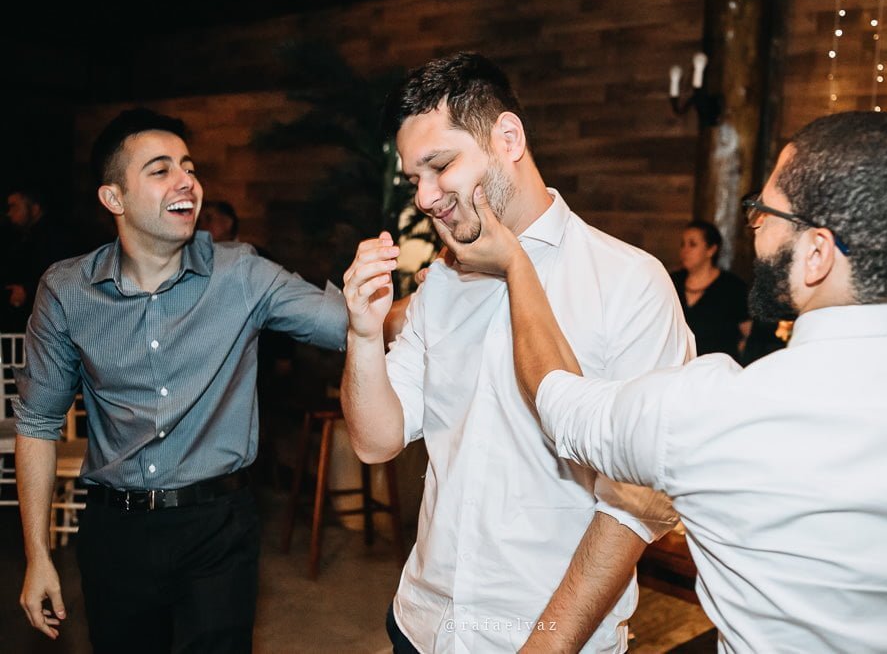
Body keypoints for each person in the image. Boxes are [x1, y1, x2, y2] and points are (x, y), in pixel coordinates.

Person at [443, 111, 887, 652]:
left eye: (763, 212)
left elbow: (559, 400)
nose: (754, 229)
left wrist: (516, 264)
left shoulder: (714, 411)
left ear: (816, 253)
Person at [342, 52, 693, 653]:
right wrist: (363, 334)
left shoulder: (629, 282)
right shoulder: (440, 283)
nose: (424, 197)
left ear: (508, 138)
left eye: (440, 166)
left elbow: (642, 500)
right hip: (421, 627)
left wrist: (547, 644)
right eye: (413, 179)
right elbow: (376, 441)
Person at [14, 108, 350, 652]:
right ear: (114, 198)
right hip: (115, 532)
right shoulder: (68, 290)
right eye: (161, 169)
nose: (186, 181)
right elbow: (37, 423)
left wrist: (451, 286)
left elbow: (348, 324)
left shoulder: (241, 273)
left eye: (189, 167)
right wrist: (37, 556)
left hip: (218, 528)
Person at [670, 219, 750, 359]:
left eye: (692, 244)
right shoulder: (672, 281)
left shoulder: (732, 287)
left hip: (718, 368)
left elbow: (747, 334)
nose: (685, 250)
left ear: (711, 250)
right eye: (683, 244)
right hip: (679, 367)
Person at [1, 188, 73, 331]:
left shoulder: (50, 237)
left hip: (46, 318)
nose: (10, 213)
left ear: (34, 208)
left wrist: (27, 291)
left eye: (15, 207)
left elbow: (59, 275)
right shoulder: (22, 236)